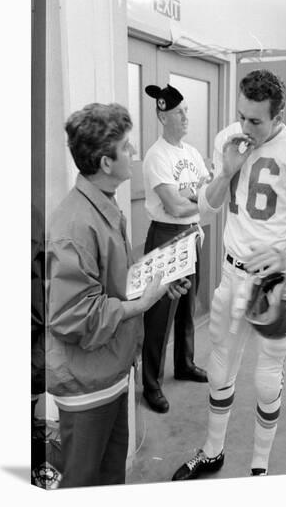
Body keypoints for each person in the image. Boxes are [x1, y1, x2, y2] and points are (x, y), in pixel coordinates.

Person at [172, 69, 286, 480]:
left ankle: (259, 466)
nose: (245, 126)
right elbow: (206, 210)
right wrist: (226, 170)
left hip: (274, 282)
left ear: (278, 115)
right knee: (221, 367)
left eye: (256, 120)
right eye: (241, 115)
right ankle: (212, 451)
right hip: (231, 273)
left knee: (266, 377)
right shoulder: (230, 137)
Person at [46, 102, 190, 488]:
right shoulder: (75, 225)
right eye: (127, 147)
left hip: (110, 369)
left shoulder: (103, 205)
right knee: (83, 482)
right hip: (86, 383)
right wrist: (141, 304)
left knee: (110, 479)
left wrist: (156, 283)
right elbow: (71, 315)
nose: (134, 154)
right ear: (106, 163)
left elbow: (110, 282)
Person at [141, 84, 209, 413]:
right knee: (159, 315)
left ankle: (184, 364)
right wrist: (197, 201)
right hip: (166, 236)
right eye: (179, 112)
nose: (185, 117)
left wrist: (194, 206)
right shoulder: (157, 156)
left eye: (186, 111)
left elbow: (206, 194)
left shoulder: (191, 153)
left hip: (191, 234)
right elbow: (174, 207)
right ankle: (151, 385)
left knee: (187, 307)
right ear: (162, 115)